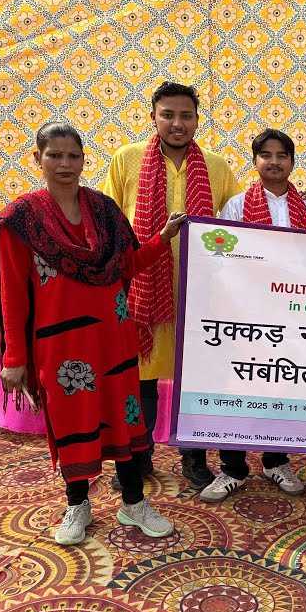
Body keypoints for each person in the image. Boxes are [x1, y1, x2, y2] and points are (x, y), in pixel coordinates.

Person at [0, 122, 185, 546]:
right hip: (60, 346)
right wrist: (13, 359)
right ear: (37, 158)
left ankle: (133, 502)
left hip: (113, 339)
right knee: (72, 421)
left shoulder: (106, 211)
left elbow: (125, 265)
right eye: (54, 155)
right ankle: (77, 504)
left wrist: (162, 238)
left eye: (72, 156)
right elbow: (12, 294)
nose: (64, 164)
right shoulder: (21, 220)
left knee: (124, 417)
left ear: (83, 159)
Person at [103, 81, 241, 491]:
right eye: (168, 114)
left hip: (200, 297)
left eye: (186, 115)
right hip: (142, 296)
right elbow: (111, 224)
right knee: (140, 383)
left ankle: (193, 460)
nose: (177, 123)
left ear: (198, 119)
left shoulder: (216, 167)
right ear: (153, 117)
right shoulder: (126, 160)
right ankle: (138, 457)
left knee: (193, 382)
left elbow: (238, 222)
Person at [197, 128, 306, 503]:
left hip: (291, 316)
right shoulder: (234, 207)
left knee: (282, 386)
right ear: (255, 161)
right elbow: (220, 260)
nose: (275, 161)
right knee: (239, 387)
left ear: (292, 162)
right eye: (267, 154)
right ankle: (233, 468)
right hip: (244, 314)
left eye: (282, 155)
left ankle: (275, 461)